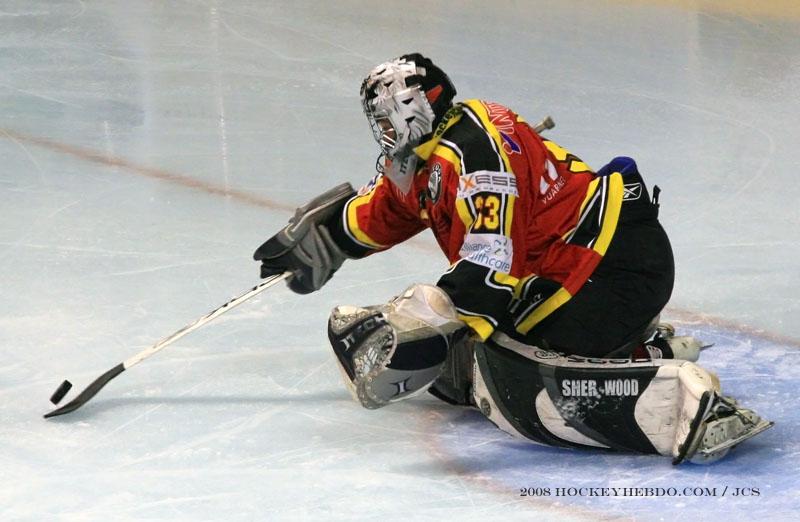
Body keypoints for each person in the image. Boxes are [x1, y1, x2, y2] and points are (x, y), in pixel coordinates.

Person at [253, 53, 772, 464]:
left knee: (499, 378)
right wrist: (328, 236)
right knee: (465, 357)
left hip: (611, 268)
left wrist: (424, 316)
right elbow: (392, 205)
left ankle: (687, 408)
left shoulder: (478, 155)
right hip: (579, 272)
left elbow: (489, 268)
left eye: (386, 120)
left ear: (414, 107)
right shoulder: (432, 150)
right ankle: (635, 346)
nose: (383, 134)